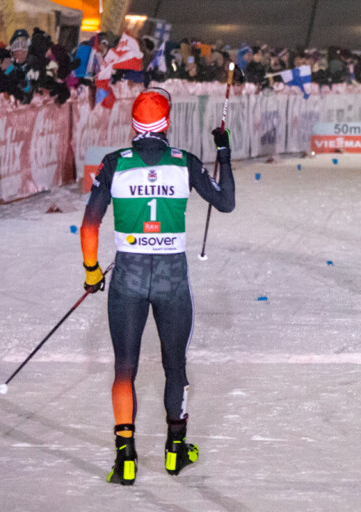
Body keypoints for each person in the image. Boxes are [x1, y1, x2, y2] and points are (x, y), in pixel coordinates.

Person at [79, 88, 236, 485]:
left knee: (124, 370)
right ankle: (175, 452)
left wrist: (92, 271)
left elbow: (89, 226)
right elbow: (226, 202)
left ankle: (125, 458)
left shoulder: (114, 163)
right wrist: (224, 154)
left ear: (134, 125)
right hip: (171, 278)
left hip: (128, 278)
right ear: (166, 124)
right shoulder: (185, 162)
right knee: (175, 367)